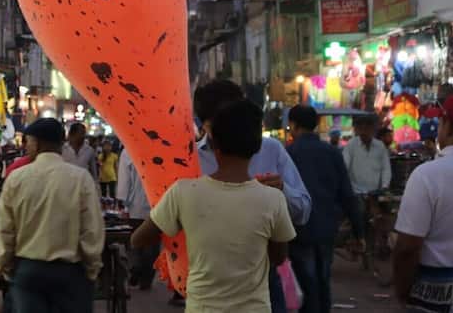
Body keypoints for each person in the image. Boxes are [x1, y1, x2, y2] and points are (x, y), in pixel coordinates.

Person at [132, 100, 296, 312]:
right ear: (256, 146)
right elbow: (279, 257)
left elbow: (138, 239)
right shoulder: (273, 199)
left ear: (213, 142)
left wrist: (183, 231)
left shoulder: (183, 192)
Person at [192, 80, 311, 313]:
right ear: (205, 124)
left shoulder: (270, 150)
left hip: (264, 283)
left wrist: (282, 191)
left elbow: (303, 211)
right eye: (222, 123)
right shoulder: (190, 160)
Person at [0, 118, 104, 313]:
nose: (27, 146)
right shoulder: (80, 178)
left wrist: (5, 265)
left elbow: (6, 230)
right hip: (71, 274)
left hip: (29, 272)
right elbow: (92, 230)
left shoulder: (17, 179)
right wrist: (91, 269)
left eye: (28, 141)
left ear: (37, 143)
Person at [393, 93, 453, 312]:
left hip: (444, 304)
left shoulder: (428, 175)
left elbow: (407, 248)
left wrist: (402, 294)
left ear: (449, 127)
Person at [285, 105, 363, 313]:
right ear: (316, 125)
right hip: (327, 228)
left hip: (299, 230)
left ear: (293, 125)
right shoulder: (332, 153)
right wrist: (358, 230)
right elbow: (347, 193)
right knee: (322, 282)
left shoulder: (288, 153)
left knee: (307, 284)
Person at [116, 146, 155, 290]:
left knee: (134, 242)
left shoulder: (129, 150)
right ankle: (146, 280)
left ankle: (135, 267)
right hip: (157, 205)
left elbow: (124, 180)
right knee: (152, 245)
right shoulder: (159, 147)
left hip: (135, 207)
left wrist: (122, 203)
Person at [344, 115, 392, 195]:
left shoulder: (380, 146)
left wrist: (385, 186)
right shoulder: (351, 145)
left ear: (373, 129)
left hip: (376, 192)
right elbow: (345, 166)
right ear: (357, 130)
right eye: (361, 128)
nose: (364, 130)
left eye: (367, 127)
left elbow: (386, 168)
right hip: (356, 192)